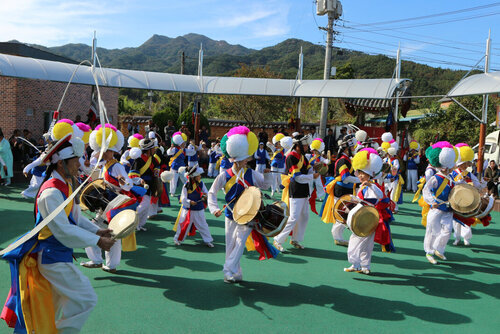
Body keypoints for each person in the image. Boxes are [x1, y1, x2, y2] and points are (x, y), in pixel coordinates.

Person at [1, 133, 115, 333]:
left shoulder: (65, 184)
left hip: (57, 256)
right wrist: (97, 240)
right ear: (61, 164)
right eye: (76, 160)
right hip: (52, 257)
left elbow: (75, 218)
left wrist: (98, 230)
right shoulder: (51, 192)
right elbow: (63, 230)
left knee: (54, 306)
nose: (80, 164)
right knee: (86, 298)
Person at [208, 126, 273, 283]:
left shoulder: (252, 174)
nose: (247, 160)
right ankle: (234, 272)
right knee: (230, 245)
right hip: (231, 215)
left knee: (240, 242)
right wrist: (214, 208)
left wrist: (269, 174)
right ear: (236, 160)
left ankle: (228, 268)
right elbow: (212, 192)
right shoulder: (224, 176)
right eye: (245, 158)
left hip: (249, 216)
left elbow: (265, 186)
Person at [82, 125, 144, 273]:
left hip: (114, 204)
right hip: (106, 204)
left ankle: (106, 263)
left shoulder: (117, 166)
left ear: (113, 151)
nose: (105, 153)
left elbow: (128, 184)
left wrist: (124, 181)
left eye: (108, 150)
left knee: (108, 232)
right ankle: (103, 262)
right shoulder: (104, 164)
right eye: (104, 150)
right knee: (101, 231)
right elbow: (91, 171)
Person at [344, 148, 388, 274]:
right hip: (363, 217)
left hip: (369, 218)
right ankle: (363, 266)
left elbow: (380, 196)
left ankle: (359, 265)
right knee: (363, 243)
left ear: (369, 174)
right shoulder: (362, 185)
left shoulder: (373, 185)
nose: (361, 175)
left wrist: (371, 185)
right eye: (360, 173)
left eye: (363, 173)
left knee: (361, 243)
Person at [273, 135, 319, 251]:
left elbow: (308, 168)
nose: (307, 147)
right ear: (297, 145)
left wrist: (314, 169)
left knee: (304, 216)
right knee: (293, 217)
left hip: (304, 190)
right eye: (304, 145)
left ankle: (295, 239)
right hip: (296, 190)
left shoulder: (303, 156)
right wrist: (311, 176)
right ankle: (278, 239)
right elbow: (297, 177)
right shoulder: (290, 157)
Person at [422, 141, 456, 264]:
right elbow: (426, 190)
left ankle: (439, 250)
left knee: (447, 230)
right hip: (437, 207)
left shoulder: (452, 179)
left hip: (448, 208)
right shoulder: (435, 177)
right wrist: (432, 202)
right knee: (432, 230)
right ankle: (429, 252)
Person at [322, 134, 359, 246]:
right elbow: (345, 178)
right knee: (342, 213)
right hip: (341, 189)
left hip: (345, 190)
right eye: (353, 147)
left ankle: (338, 236)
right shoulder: (343, 161)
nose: (354, 149)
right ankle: (337, 237)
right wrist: (360, 180)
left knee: (343, 213)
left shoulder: (347, 159)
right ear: (347, 148)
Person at [451, 143, 489, 246]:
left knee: (467, 219)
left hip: (468, 199)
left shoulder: (469, 174)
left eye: (467, 163)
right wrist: (459, 181)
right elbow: (451, 184)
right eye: (465, 163)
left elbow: (478, 185)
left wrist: (484, 182)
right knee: (456, 220)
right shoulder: (453, 173)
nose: (467, 165)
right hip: (456, 199)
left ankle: (466, 238)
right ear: (460, 163)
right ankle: (457, 238)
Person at [173, 166, 214, 247]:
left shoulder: (201, 183)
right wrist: (189, 202)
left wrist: (205, 196)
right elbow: (183, 197)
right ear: (193, 177)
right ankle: (177, 239)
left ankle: (208, 240)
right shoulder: (186, 185)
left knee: (203, 224)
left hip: (199, 208)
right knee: (183, 224)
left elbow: (206, 192)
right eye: (198, 175)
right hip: (188, 209)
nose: (200, 177)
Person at [129, 138, 161, 231]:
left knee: (146, 207)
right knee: (144, 205)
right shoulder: (138, 160)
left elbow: (156, 167)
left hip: (150, 185)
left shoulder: (153, 159)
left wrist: (157, 174)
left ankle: (139, 225)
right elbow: (132, 174)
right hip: (140, 186)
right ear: (148, 150)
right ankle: (131, 221)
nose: (155, 149)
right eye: (153, 148)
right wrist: (140, 180)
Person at [166, 132, 195, 196]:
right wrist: (170, 148)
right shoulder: (174, 149)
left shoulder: (185, 150)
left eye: (184, 143)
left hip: (182, 167)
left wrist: (193, 146)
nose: (184, 144)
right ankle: (172, 192)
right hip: (175, 166)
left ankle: (188, 189)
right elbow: (168, 153)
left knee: (185, 179)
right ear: (180, 144)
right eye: (183, 143)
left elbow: (192, 153)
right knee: (173, 180)